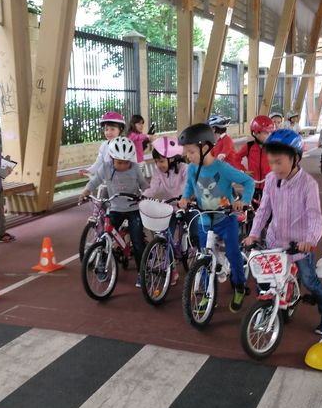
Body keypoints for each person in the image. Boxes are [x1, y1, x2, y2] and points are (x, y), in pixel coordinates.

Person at [243, 129, 322, 336]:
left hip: (299, 244)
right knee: (265, 279)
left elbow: (315, 217)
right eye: (271, 162)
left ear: (295, 158)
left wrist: (309, 240)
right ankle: (266, 309)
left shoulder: (308, 185)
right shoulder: (270, 179)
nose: (274, 168)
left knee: (309, 280)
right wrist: (254, 233)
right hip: (275, 240)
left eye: (279, 162)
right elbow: (264, 209)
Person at [178, 123, 254, 312]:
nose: (188, 156)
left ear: (205, 148)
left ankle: (239, 286)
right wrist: (185, 197)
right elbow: (189, 185)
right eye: (187, 152)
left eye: (191, 152)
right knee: (204, 256)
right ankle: (206, 293)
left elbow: (248, 181)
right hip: (205, 220)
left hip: (225, 219)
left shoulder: (223, 168)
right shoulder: (192, 168)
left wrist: (243, 201)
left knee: (233, 253)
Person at [79, 136, 147, 287]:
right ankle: (102, 264)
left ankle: (142, 273)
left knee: (137, 241)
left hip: (133, 208)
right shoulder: (106, 168)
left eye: (126, 162)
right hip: (115, 208)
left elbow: (143, 184)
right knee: (104, 236)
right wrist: (86, 191)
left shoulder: (135, 168)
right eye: (119, 162)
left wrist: (148, 194)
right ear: (111, 158)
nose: (122, 166)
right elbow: (94, 181)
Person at [143, 136, 190, 285]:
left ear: (173, 159)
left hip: (183, 206)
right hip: (168, 207)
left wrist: (183, 198)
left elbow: (188, 185)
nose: (158, 165)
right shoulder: (158, 173)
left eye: (161, 161)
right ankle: (172, 269)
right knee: (164, 236)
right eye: (156, 161)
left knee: (195, 230)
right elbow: (154, 188)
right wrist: (143, 196)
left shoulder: (184, 169)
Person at [234, 114, 275, 197]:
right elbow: (235, 158)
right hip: (253, 184)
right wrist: (243, 171)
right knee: (252, 207)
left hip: (269, 185)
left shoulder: (274, 147)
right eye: (266, 133)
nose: (269, 136)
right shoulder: (249, 146)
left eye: (271, 133)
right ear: (255, 133)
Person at [82, 111, 126, 175]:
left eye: (112, 129)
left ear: (120, 129)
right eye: (106, 129)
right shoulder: (104, 145)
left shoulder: (124, 145)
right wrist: (89, 170)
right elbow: (99, 162)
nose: (108, 132)